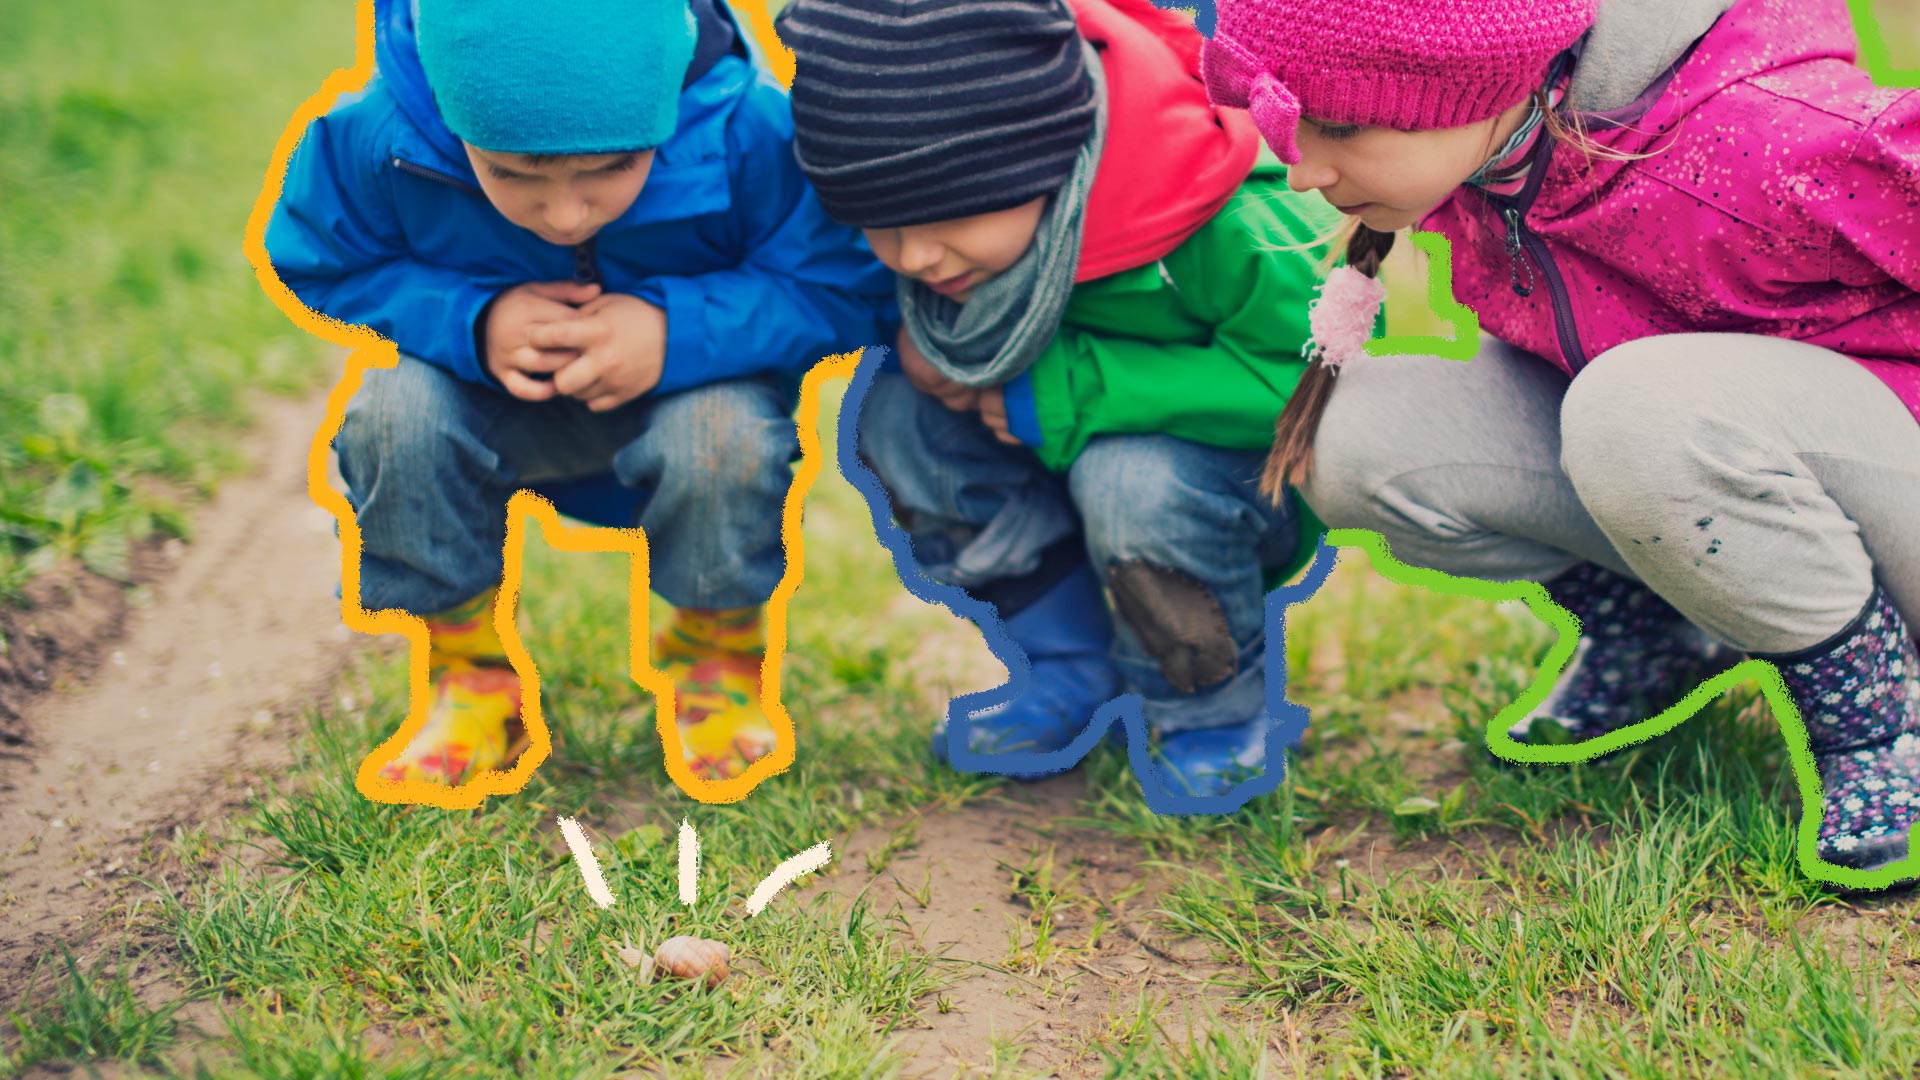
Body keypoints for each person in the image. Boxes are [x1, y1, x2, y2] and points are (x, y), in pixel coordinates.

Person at [1203, 0, 1920, 880]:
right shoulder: (1503, 155)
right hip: (1746, 479)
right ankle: (1661, 631)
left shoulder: (1763, 140)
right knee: (1350, 432)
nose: (1304, 168)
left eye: (1340, 125)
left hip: (1889, 478)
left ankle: (1882, 717)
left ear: (1469, 81)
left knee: (1634, 403)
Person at [264, 0, 893, 790]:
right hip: (488, 402)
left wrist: (677, 331)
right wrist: (472, 319)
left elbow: (840, 282)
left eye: (610, 169)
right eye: (512, 174)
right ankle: (469, 679)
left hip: (689, 401)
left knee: (723, 437)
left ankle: (715, 664)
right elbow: (320, 258)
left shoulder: (748, 130)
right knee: (392, 416)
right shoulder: (382, 134)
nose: (564, 213)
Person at [776, 0, 1346, 801]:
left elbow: (1316, 379)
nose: (915, 255)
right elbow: (827, 280)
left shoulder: (1230, 216)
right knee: (898, 418)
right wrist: (914, 340)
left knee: (1132, 480)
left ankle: (1210, 706)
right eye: (880, 225)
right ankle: (1069, 667)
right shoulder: (932, 223)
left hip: (1214, 487)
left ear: (1048, 159)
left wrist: (1067, 388)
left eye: (948, 219)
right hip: (1052, 463)